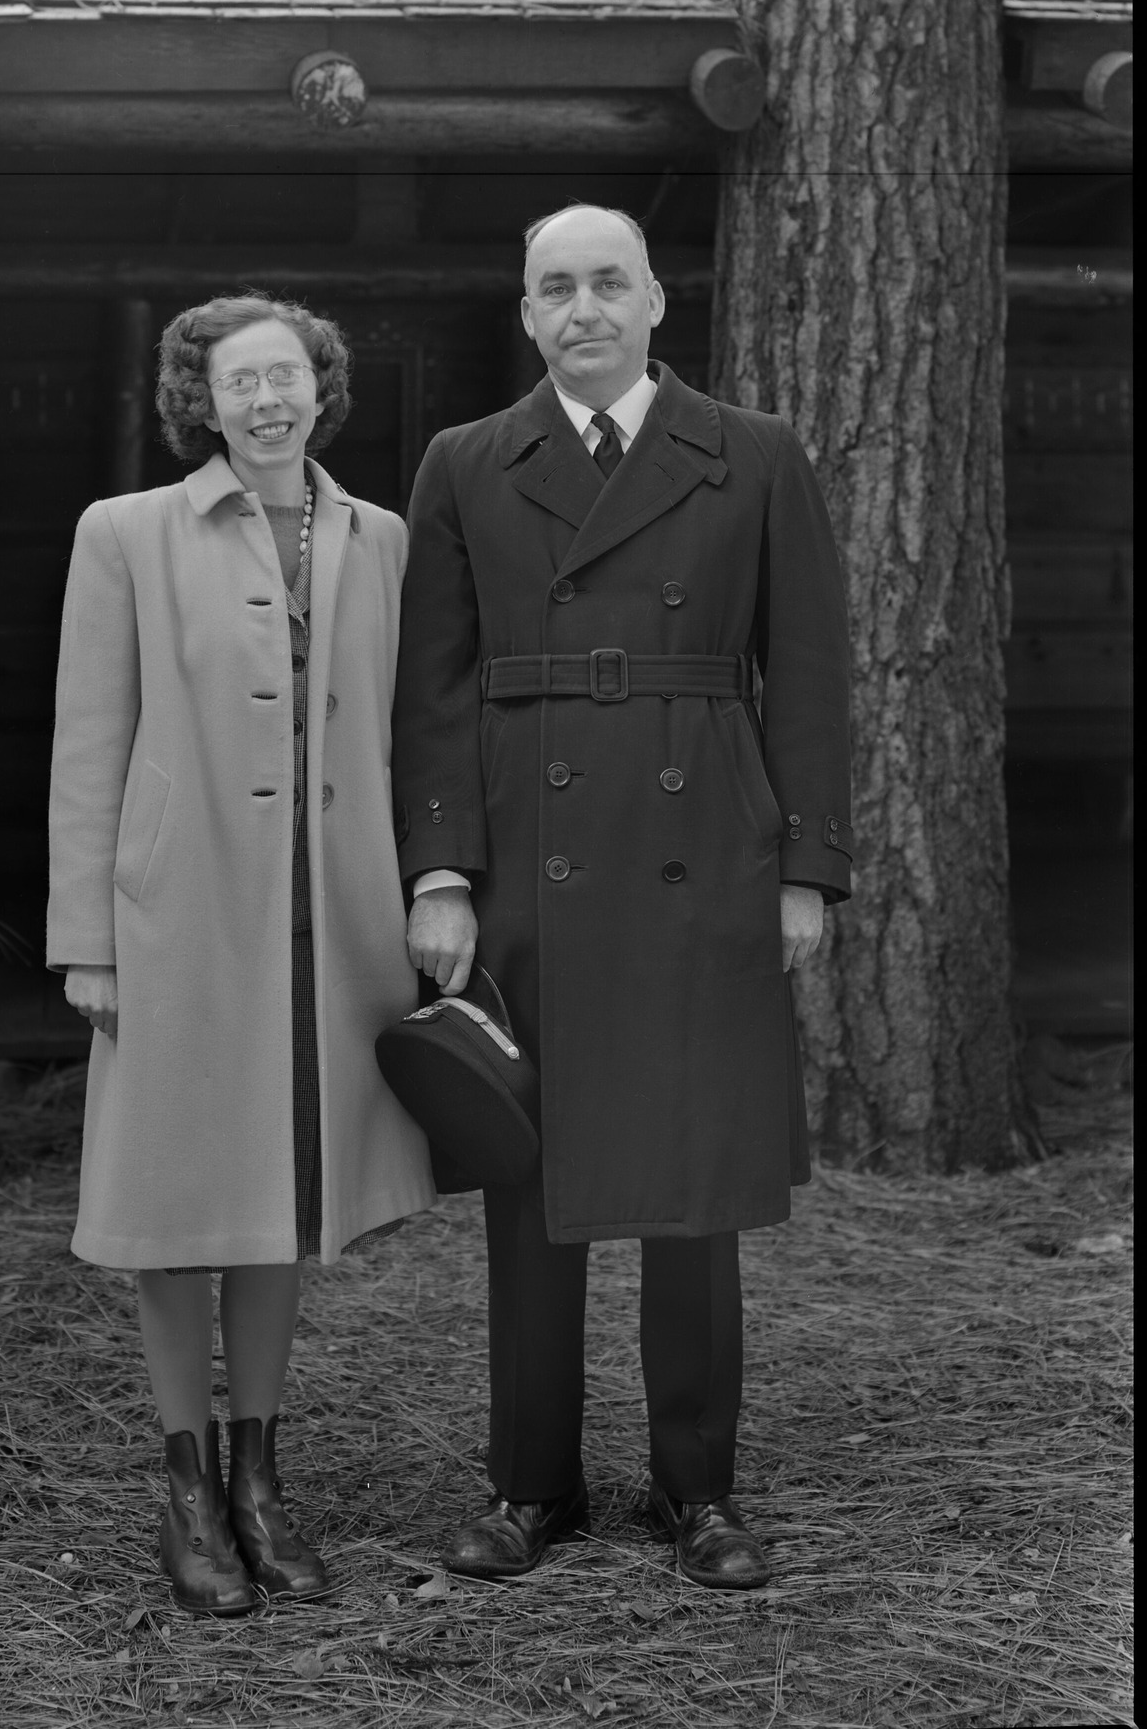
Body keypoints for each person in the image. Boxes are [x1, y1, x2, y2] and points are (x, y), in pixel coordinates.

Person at [392, 204, 853, 1590]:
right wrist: (439, 871)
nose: (581, 307)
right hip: (529, 851)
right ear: (525, 314)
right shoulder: (467, 462)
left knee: (693, 1185)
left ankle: (698, 1490)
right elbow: (434, 689)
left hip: (703, 846)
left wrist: (804, 870)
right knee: (534, 1186)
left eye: (607, 282)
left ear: (655, 301)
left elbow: (811, 671)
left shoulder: (754, 455)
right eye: (554, 287)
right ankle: (531, 1487)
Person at [47, 292, 435, 1617]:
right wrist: (84, 941)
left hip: (330, 911)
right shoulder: (128, 534)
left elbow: (406, 723)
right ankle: (184, 1485)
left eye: (287, 378)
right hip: (177, 914)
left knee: (283, 1190)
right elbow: (90, 741)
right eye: (238, 384)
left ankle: (261, 1478)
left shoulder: (381, 539)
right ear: (199, 405)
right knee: (173, 1197)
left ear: (321, 390)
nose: (266, 402)